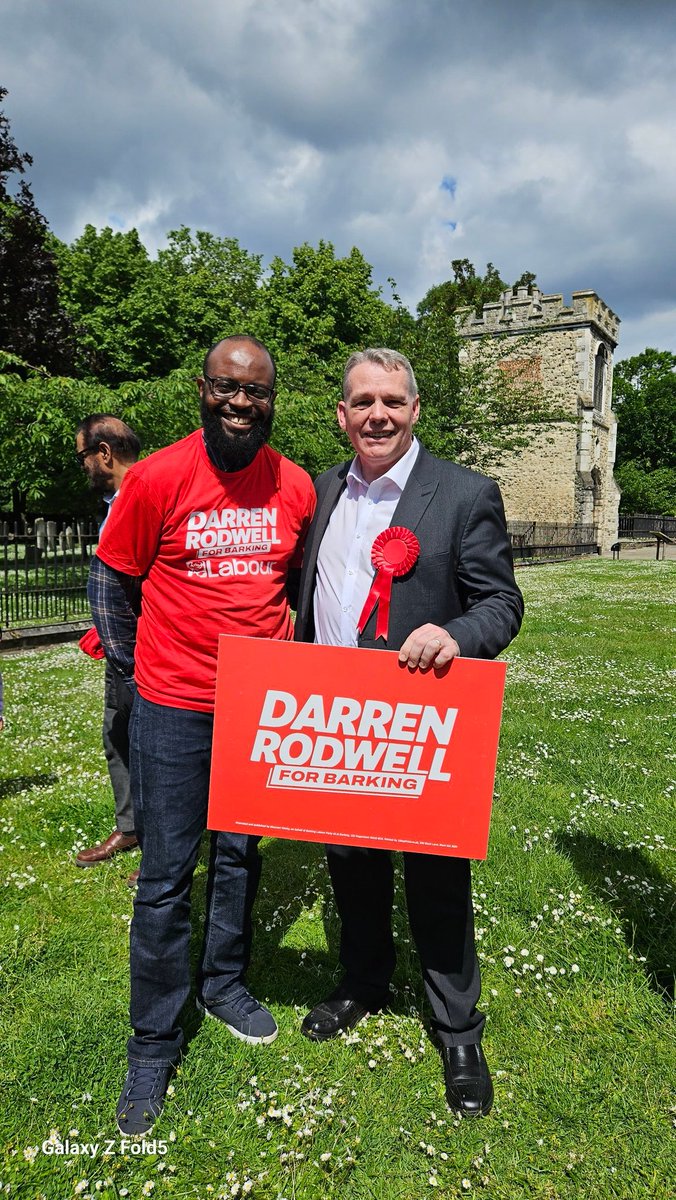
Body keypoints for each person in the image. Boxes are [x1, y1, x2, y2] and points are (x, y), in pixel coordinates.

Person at [89, 335, 315, 1136]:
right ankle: (152, 1041)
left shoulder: (293, 486)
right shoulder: (155, 478)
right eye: (227, 387)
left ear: (272, 399)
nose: (241, 402)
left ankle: (222, 984)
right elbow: (112, 580)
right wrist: (135, 671)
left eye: (255, 391)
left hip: (257, 706)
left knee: (240, 854)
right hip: (175, 705)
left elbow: (296, 584)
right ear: (203, 389)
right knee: (164, 876)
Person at [294, 348, 523, 1118]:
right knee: (351, 869)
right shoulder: (321, 491)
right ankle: (363, 981)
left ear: (416, 409)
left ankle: (459, 1029)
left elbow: (501, 602)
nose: (378, 415)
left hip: (420, 725)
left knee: (437, 882)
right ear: (342, 414)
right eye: (362, 402)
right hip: (336, 725)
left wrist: (457, 633)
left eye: (392, 400)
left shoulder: (464, 494)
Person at [74, 415, 141, 875]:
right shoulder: (114, 502)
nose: (83, 467)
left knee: (153, 745)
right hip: (116, 648)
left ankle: (163, 839)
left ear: (103, 453)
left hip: (144, 651)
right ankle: (131, 825)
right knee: (116, 735)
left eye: (83, 456)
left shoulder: (144, 497)